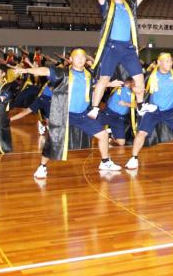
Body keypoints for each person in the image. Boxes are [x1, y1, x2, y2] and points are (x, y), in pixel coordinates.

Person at [19, 48, 123, 179]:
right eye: (77, 57)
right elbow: (45, 71)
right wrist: (28, 70)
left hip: (81, 114)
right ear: (71, 59)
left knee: (102, 135)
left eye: (83, 57)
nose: (80, 59)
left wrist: (109, 83)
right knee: (53, 141)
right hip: (63, 114)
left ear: (86, 60)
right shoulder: (63, 73)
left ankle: (105, 162)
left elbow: (94, 85)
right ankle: (42, 167)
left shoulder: (88, 74)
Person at [81, 0, 164, 119]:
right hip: (112, 47)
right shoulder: (107, 6)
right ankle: (95, 108)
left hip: (128, 48)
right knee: (104, 79)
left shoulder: (130, 6)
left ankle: (141, 106)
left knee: (139, 78)